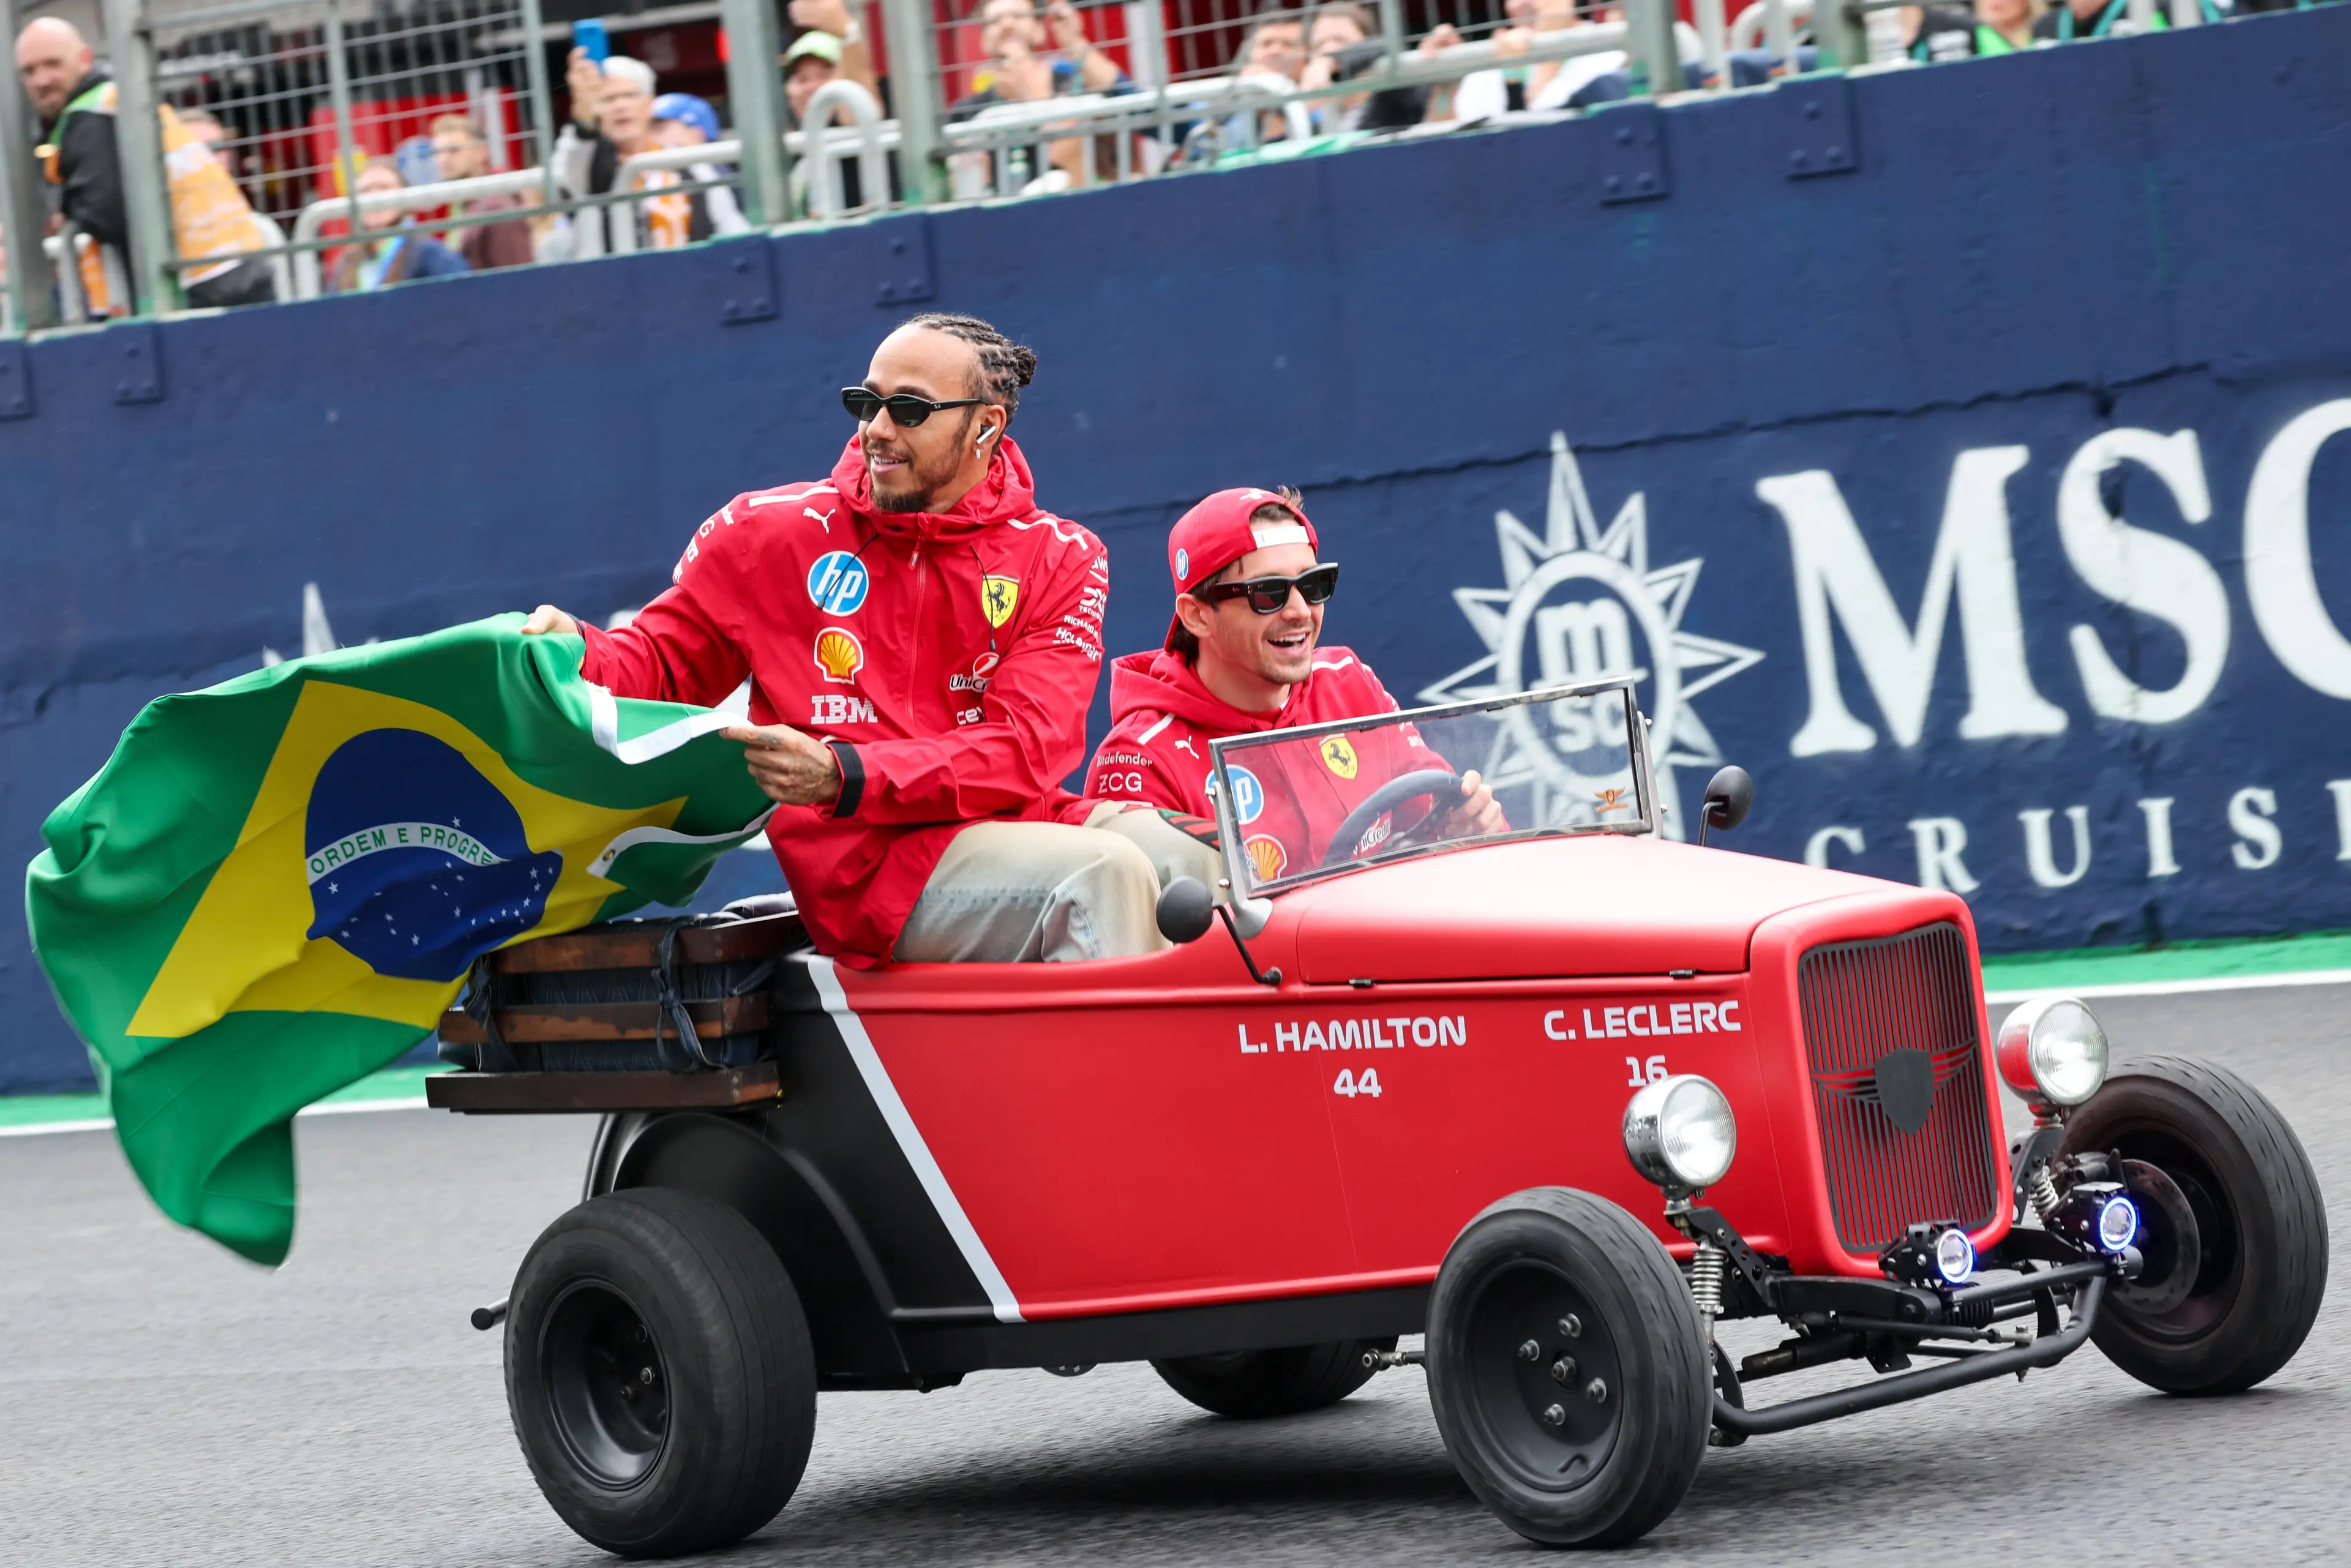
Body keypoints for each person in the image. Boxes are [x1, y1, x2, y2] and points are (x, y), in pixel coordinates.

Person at [519, 315, 1194, 967]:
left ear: (985, 425)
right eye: (865, 403)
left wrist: (847, 771)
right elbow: (662, 665)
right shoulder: (768, 532)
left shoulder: (1064, 555)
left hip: (1011, 820)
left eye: (907, 408)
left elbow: (1026, 750)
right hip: (868, 864)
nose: (877, 429)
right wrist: (573, 647)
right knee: (1103, 873)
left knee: (1196, 860)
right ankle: (1118, 1088)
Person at [1083, 487, 1505, 880]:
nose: (1301, 611)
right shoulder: (1140, 761)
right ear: (1197, 616)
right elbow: (1152, 943)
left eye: (1313, 584)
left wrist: (1472, 825)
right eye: (1268, 593)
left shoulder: (1348, 681)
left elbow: (1438, 816)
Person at [16, 16, 277, 310]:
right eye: (29, 70)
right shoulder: (119, 101)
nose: (41, 80)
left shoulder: (90, 115)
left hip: (197, 286)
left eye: (53, 64)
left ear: (85, 59)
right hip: (231, 268)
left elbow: (106, 214)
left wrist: (66, 205)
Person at [946, 0, 1130, 192]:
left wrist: (1030, 91)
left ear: (1040, 30)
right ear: (983, 40)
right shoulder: (968, 111)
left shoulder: (1076, 87)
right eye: (994, 21)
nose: (1006, 25)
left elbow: (1120, 165)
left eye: (1018, 16)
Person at [540, 50, 658, 260]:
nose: (620, 106)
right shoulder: (588, 162)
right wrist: (584, 113)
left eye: (630, 95)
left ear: (650, 104)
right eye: (609, 99)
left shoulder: (681, 161)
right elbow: (566, 169)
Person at [326, 158, 468, 293]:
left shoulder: (428, 252)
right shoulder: (346, 262)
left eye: (384, 187)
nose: (375, 197)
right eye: (365, 190)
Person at [639, 94, 750, 247]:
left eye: (660, 129)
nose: (652, 138)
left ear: (696, 133)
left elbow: (733, 227)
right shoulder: (652, 173)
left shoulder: (710, 174)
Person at [429, 114, 534, 271]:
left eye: (453, 150)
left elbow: (518, 277)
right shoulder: (465, 204)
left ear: (481, 152)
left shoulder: (497, 207)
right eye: (437, 152)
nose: (443, 159)